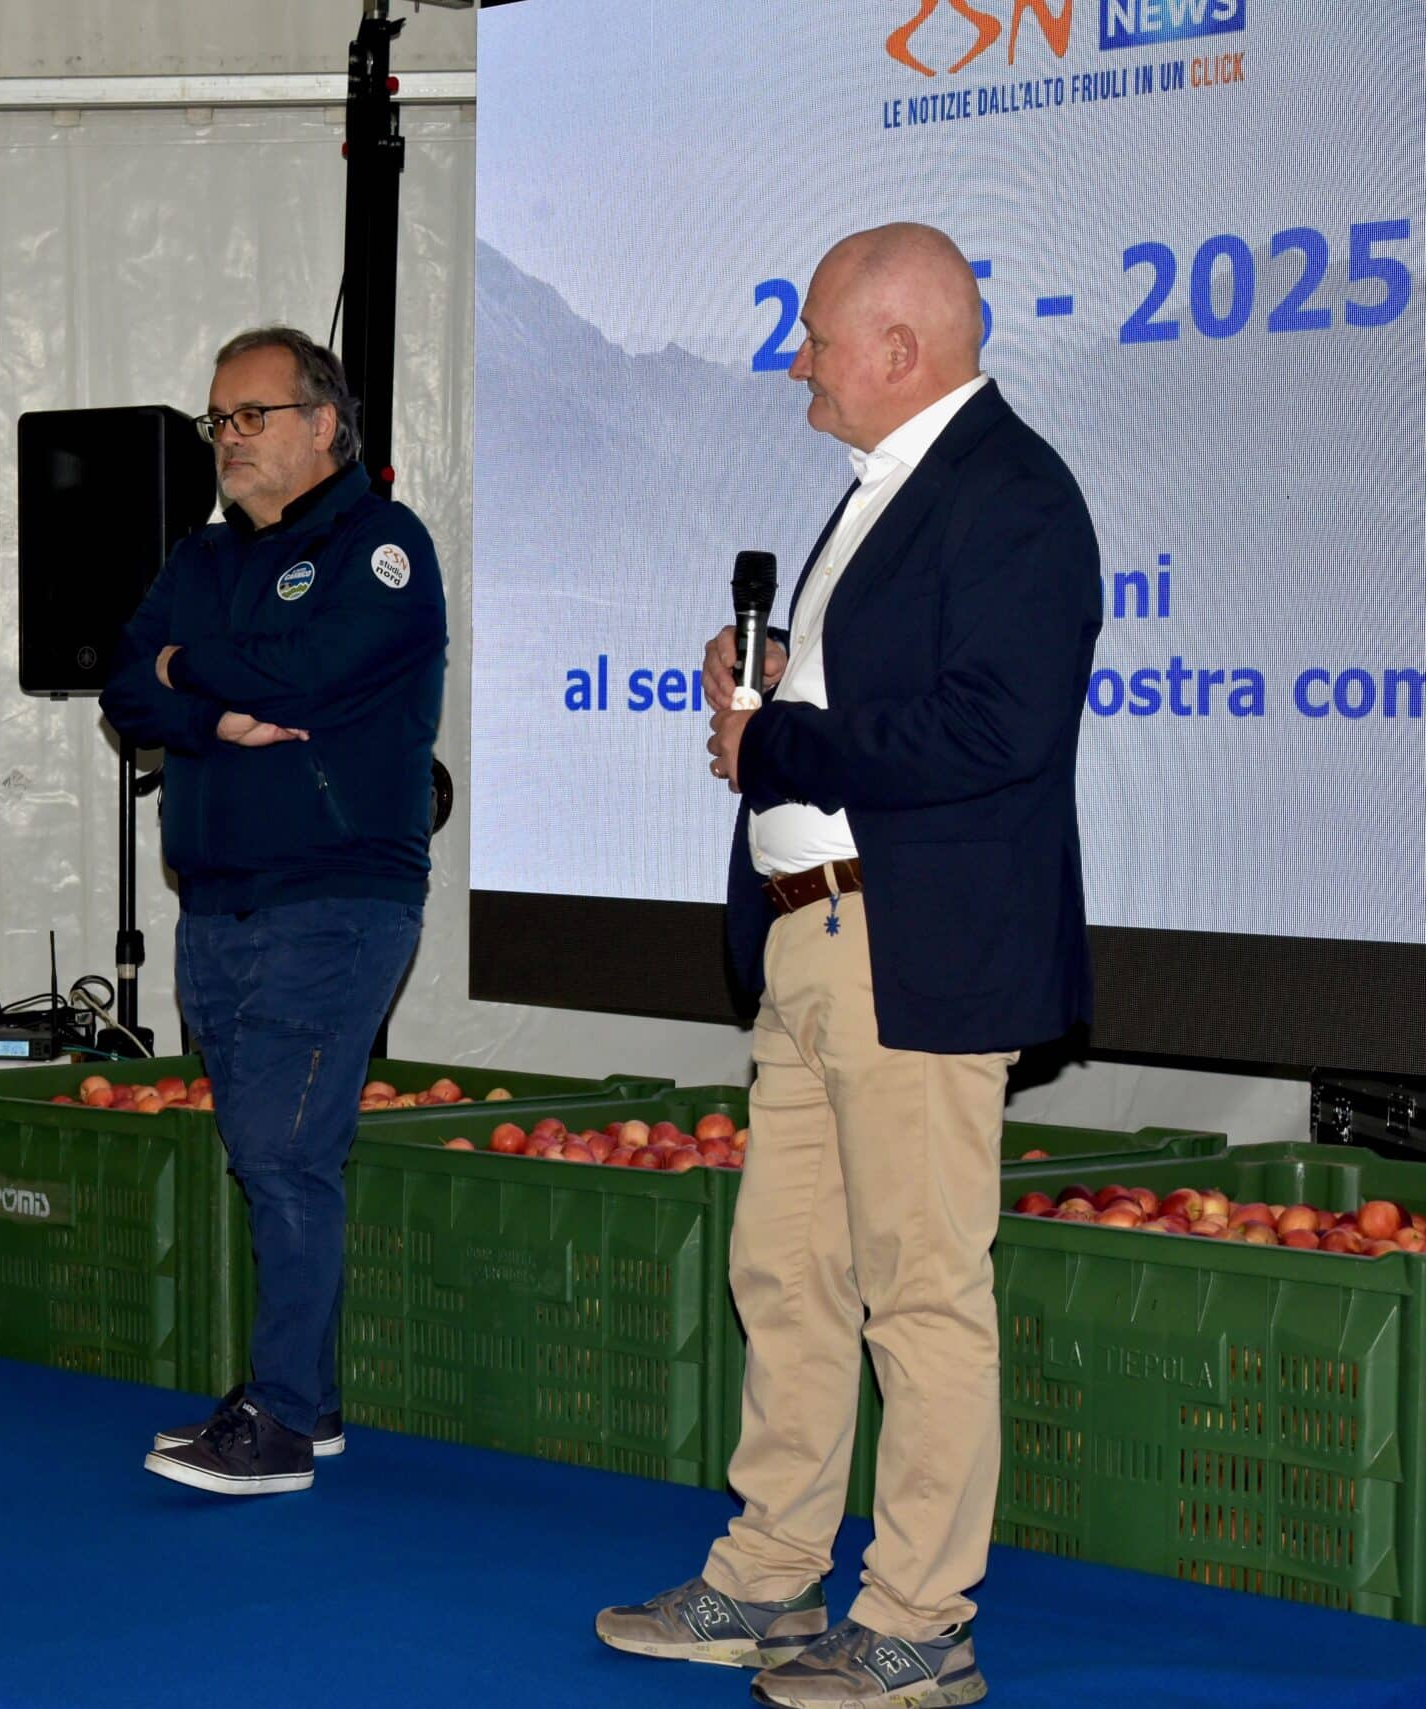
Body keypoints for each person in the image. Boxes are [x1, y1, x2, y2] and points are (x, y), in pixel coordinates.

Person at [595, 223, 1100, 1708]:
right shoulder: (892, 484)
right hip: (815, 938)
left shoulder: (1011, 493)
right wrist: (767, 684)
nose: (795, 362)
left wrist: (784, 739)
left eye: (814, 336)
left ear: (900, 346)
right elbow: (883, 694)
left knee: (918, 1292)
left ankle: (919, 1622)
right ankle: (768, 1576)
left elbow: (997, 730)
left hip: (914, 948)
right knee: (788, 1272)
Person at [103, 325, 446, 1496]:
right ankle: (309, 1398)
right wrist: (205, 706)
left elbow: (310, 675)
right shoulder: (201, 558)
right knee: (266, 1152)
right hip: (216, 901)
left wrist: (186, 668)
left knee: (283, 1153)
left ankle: (282, 1422)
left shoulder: (381, 545)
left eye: (253, 415)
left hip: (334, 895)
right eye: (219, 419)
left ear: (323, 425)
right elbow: (122, 686)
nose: (229, 438)